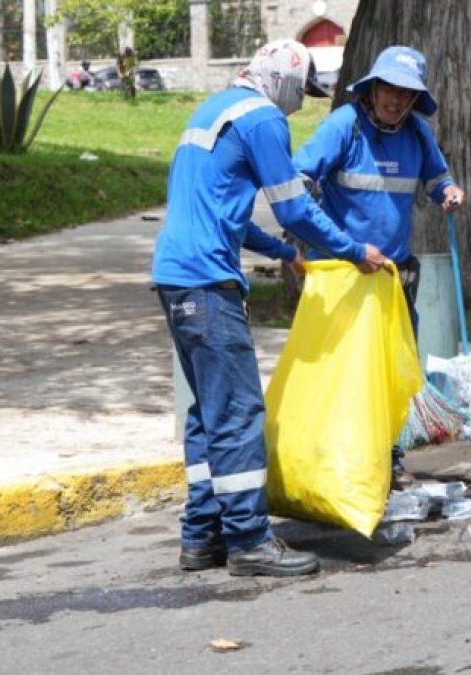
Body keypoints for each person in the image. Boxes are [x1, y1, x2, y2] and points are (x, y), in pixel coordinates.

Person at [151, 39, 389, 577]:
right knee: (237, 411)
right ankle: (250, 542)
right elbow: (294, 206)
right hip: (209, 281)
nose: (300, 105)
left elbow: (228, 214)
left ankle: (201, 536)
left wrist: (284, 253)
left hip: (174, 277)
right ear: (282, 81)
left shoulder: (211, 110)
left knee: (206, 413)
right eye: (301, 92)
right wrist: (354, 252)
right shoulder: (262, 120)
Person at [292, 45, 465, 488]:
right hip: (343, 274)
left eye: (405, 93)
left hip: (392, 277)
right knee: (341, 369)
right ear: (372, 89)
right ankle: (332, 455)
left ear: (414, 100)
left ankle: (387, 456)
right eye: (388, 88)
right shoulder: (343, 126)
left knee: (391, 370)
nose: (395, 100)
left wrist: (448, 192)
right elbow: (299, 180)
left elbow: (437, 179)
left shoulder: (417, 134)